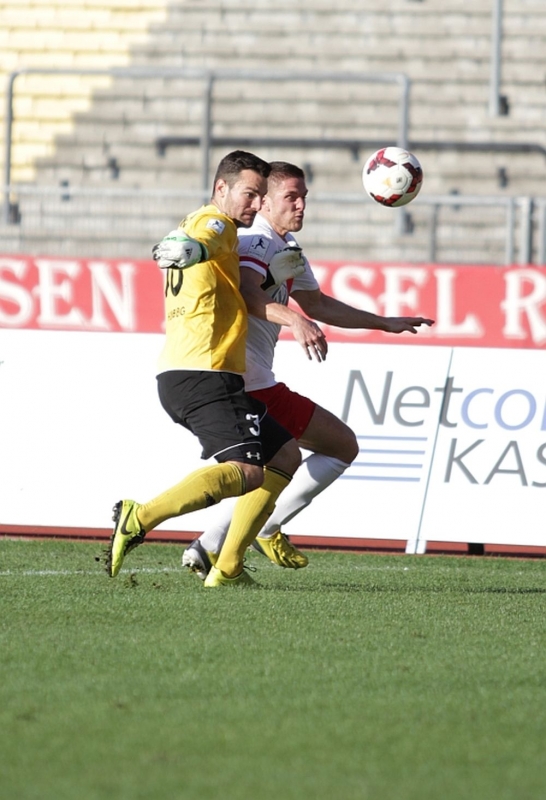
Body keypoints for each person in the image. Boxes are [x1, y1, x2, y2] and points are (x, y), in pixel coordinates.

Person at [181, 161, 435, 579]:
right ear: (264, 202)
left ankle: (211, 544)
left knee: (275, 464)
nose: (300, 205)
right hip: (244, 376)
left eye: (304, 198)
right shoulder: (257, 241)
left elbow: (317, 304)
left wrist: (383, 322)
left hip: (251, 375)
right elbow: (248, 295)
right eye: (291, 197)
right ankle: (255, 531)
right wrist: (295, 321)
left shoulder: (286, 245)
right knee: (331, 447)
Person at [105, 150, 307, 587]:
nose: (256, 204)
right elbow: (206, 239)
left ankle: (228, 568)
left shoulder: (205, 224)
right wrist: (193, 249)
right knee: (248, 471)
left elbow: (201, 246)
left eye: (260, 196)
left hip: (200, 370)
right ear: (221, 188)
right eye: (249, 194)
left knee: (284, 454)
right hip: (203, 371)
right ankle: (140, 517)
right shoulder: (215, 224)